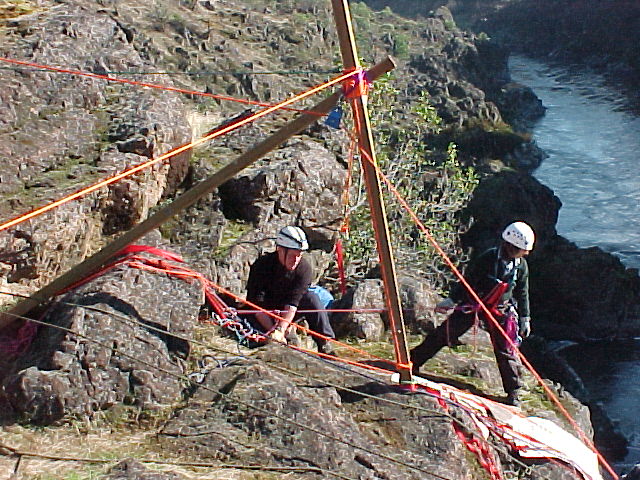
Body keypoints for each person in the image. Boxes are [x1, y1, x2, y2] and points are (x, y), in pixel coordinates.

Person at [410, 221, 535, 406]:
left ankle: (514, 390)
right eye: (521, 250)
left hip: (500, 309)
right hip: (475, 304)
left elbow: (522, 293)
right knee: (446, 333)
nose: (524, 253)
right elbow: (467, 281)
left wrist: (525, 318)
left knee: (506, 349)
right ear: (510, 246)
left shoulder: (521, 266)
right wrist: (452, 300)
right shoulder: (488, 258)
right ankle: (413, 362)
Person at [245, 226, 337, 356]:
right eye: (292, 255)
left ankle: (325, 344)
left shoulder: (304, 269)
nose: (296, 260)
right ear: (280, 250)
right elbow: (257, 306)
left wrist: (281, 329)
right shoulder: (262, 266)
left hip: (288, 309)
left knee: (312, 298)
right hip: (264, 310)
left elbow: (293, 303)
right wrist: (273, 331)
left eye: (299, 255)